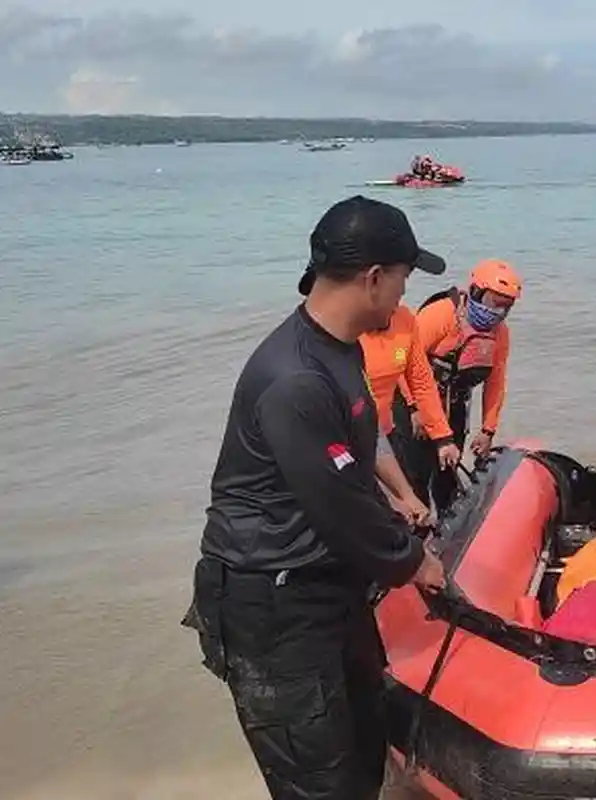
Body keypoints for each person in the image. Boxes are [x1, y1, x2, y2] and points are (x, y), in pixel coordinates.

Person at [184, 195, 448, 800]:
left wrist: (400, 499)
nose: (405, 297)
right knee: (317, 783)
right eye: (405, 279)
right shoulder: (295, 377)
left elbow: (356, 450)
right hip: (268, 599)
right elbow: (338, 503)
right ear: (374, 278)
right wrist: (413, 561)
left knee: (364, 748)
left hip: (324, 582)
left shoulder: (342, 348)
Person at [394, 258, 521, 513]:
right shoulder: (440, 315)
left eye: (506, 307)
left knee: (448, 472)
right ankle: (415, 525)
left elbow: (495, 382)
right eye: (494, 303)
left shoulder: (500, 334)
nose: (498, 312)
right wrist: (413, 407)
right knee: (415, 472)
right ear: (475, 291)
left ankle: (449, 527)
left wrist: (487, 430)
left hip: (455, 405)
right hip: (413, 400)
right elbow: (400, 358)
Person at [360, 301, 461, 526]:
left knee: (411, 498)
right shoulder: (347, 330)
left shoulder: (404, 319)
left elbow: (422, 380)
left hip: (385, 432)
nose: (402, 291)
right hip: (353, 436)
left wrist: (443, 438)